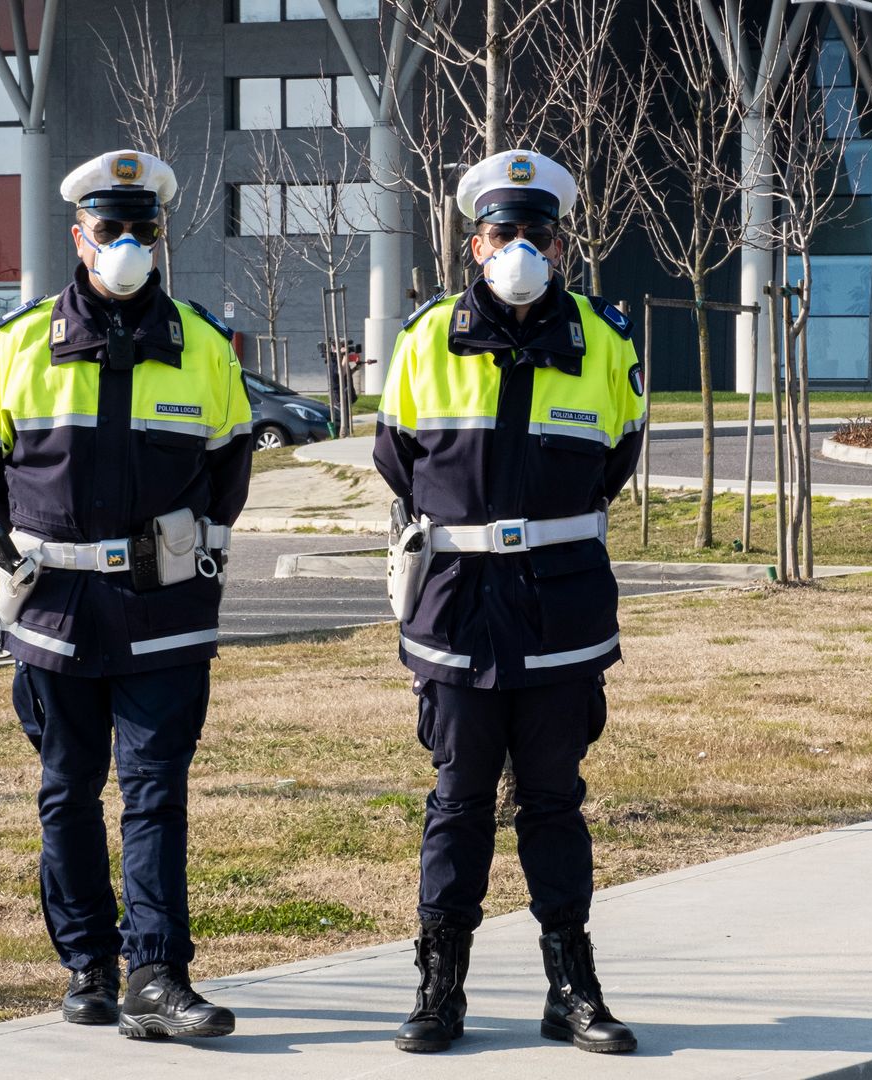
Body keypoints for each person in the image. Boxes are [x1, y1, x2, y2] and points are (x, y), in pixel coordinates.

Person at [0, 149, 252, 1040]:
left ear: (161, 238)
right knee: (69, 789)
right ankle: (89, 963)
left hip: (164, 613)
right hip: (55, 616)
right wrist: (14, 551)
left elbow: (228, 464)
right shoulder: (17, 345)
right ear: (78, 236)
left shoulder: (202, 345)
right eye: (110, 227)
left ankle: (158, 974)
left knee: (156, 791)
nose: (127, 243)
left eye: (143, 228)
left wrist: (183, 541)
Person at [374, 149, 647, 1056]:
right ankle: (439, 987)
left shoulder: (605, 344)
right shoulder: (423, 340)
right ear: (474, 244)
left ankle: (571, 987)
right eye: (503, 233)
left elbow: (615, 462)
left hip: (561, 612)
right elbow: (397, 461)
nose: (520, 248)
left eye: (537, 233)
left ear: (561, 243)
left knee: (556, 804)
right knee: (456, 805)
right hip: (457, 608)